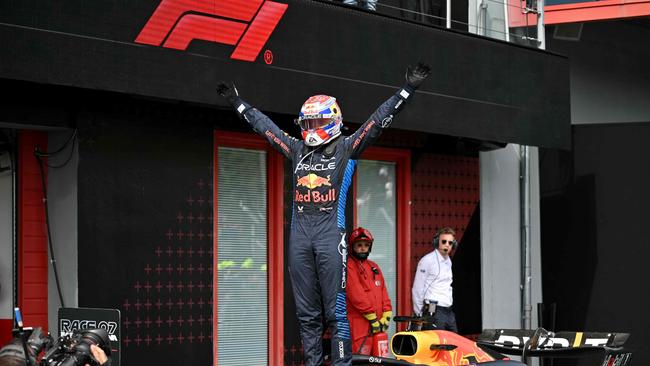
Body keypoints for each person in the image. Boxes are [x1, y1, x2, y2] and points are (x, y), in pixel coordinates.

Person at [216, 62, 430, 366]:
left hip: (331, 233)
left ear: (331, 122)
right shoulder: (295, 148)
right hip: (300, 235)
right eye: (306, 124)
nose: (309, 130)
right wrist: (237, 103)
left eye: (315, 123)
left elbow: (377, 122)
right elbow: (264, 128)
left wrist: (408, 89)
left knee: (336, 311)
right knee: (306, 314)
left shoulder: (346, 148)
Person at [345, 227, 392, 355]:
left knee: (381, 361)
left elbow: (384, 293)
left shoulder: (374, 266)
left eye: (366, 245)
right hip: (360, 328)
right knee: (361, 361)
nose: (362, 248)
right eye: (359, 245)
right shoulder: (349, 266)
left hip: (378, 328)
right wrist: (372, 318)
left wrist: (386, 315)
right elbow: (356, 294)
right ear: (352, 247)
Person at [411, 227, 458, 332]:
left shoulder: (448, 261)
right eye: (444, 241)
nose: (447, 245)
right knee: (437, 345)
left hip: (448, 311)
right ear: (437, 242)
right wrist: (419, 314)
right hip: (434, 311)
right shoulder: (427, 260)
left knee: (454, 344)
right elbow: (417, 289)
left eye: (450, 243)